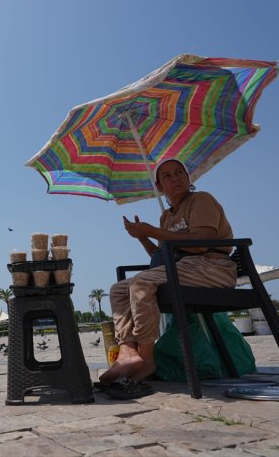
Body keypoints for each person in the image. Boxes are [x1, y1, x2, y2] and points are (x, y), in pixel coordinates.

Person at [99, 158, 237, 390]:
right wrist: (143, 237)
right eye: (167, 176)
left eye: (179, 173)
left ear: (187, 177)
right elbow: (161, 255)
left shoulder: (201, 200)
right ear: (159, 187)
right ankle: (128, 352)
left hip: (212, 267)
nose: (175, 178)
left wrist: (153, 230)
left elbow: (202, 243)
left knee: (141, 283)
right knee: (119, 289)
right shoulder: (167, 217)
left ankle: (146, 359)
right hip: (183, 268)